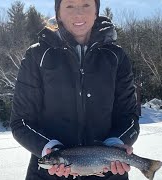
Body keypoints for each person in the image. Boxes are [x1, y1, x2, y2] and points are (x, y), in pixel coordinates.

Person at [10, 0, 140, 179]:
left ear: (96, 12)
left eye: (86, 5)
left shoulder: (116, 57)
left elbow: (129, 117)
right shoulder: (36, 56)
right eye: (69, 6)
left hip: (109, 171)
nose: (78, 14)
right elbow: (21, 122)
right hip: (47, 173)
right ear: (58, 13)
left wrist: (116, 142)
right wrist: (50, 150)